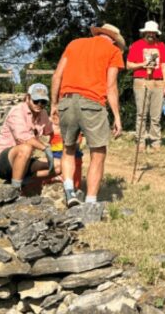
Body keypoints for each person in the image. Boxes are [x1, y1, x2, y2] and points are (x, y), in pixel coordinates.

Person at [50, 23, 125, 207]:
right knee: (98, 152)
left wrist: (54, 104)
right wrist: (117, 116)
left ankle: (69, 191)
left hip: (66, 101)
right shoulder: (113, 51)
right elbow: (111, 87)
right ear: (114, 40)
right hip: (92, 103)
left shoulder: (74, 44)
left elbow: (57, 75)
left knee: (68, 148)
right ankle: (91, 202)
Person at [0, 83, 56, 196]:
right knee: (26, 148)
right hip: (1, 163)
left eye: (43, 102)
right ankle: (15, 192)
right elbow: (24, 138)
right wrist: (45, 148)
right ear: (27, 98)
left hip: (25, 160)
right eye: (36, 100)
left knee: (59, 165)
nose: (39, 104)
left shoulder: (42, 113)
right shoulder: (17, 112)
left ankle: (24, 182)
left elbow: (51, 130)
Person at [126, 21, 165, 151]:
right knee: (142, 113)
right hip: (141, 80)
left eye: (153, 32)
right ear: (144, 32)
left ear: (156, 33)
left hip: (157, 81)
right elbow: (128, 65)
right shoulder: (136, 45)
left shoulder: (161, 45)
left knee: (156, 114)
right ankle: (141, 141)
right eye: (149, 32)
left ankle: (155, 141)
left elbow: (164, 65)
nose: (151, 34)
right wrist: (143, 64)